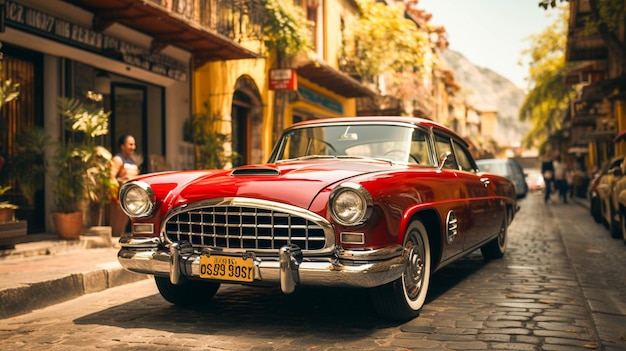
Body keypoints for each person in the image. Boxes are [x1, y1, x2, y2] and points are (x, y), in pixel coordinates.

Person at [110, 134, 140, 236]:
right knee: (118, 223)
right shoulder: (118, 159)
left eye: (134, 145)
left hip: (130, 198)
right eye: (130, 144)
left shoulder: (131, 161)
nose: (133, 147)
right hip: (120, 198)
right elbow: (111, 177)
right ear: (122, 146)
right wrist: (116, 196)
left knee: (125, 223)